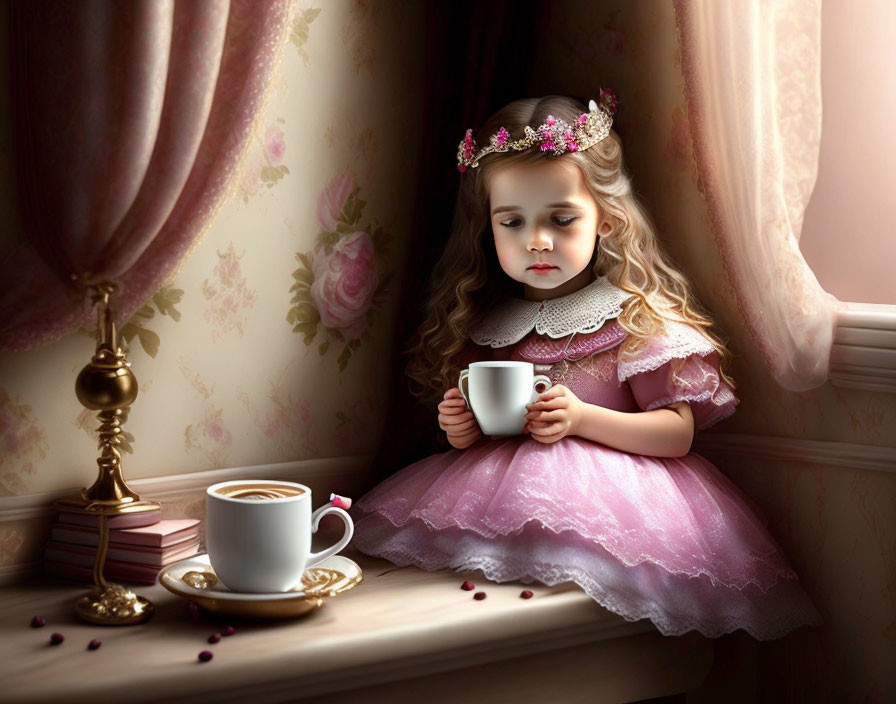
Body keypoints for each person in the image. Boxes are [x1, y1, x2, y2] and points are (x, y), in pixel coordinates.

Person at [350, 92, 820, 639]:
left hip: (618, 511)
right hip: (494, 504)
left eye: (562, 218)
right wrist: (465, 429)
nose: (537, 240)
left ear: (607, 221)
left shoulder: (633, 316)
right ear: (489, 229)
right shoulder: (491, 324)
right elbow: (493, 430)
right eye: (512, 222)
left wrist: (581, 419)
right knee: (485, 621)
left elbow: (677, 433)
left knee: (570, 623)